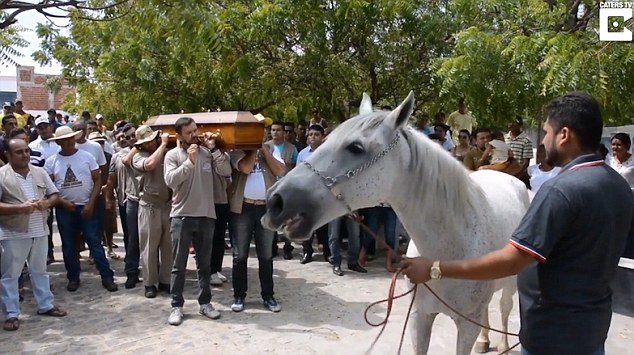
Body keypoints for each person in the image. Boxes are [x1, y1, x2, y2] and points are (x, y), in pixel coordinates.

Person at [400, 91, 633, 355]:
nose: (543, 140)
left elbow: (512, 261)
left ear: (564, 135)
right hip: (592, 328)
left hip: (551, 336)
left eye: (547, 132)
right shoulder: (619, 187)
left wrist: (435, 268)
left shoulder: (560, 191)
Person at [163, 117, 232, 326]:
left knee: (204, 264)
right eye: (189, 132)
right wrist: (189, 163)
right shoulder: (172, 155)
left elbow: (226, 172)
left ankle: (205, 303)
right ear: (180, 135)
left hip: (206, 216)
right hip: (181, 216)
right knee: (178, 266)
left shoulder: (207, 153)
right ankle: (176, 306)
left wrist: (214, 149)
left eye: (195, 130)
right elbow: (170, 181)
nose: (194, 135)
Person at [0, 139, 67, 331]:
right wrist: (19, 208)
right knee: (11, 275)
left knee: (39, 270)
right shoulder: (2, 175)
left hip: (39, 230)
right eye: (19, 152)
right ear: (8, 155)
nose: (25, 155)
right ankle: (12, 314)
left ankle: (45, 305)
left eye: (26, 151)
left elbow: (54, 194)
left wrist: (47, 203)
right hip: (13, 232)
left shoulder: (38, 171)